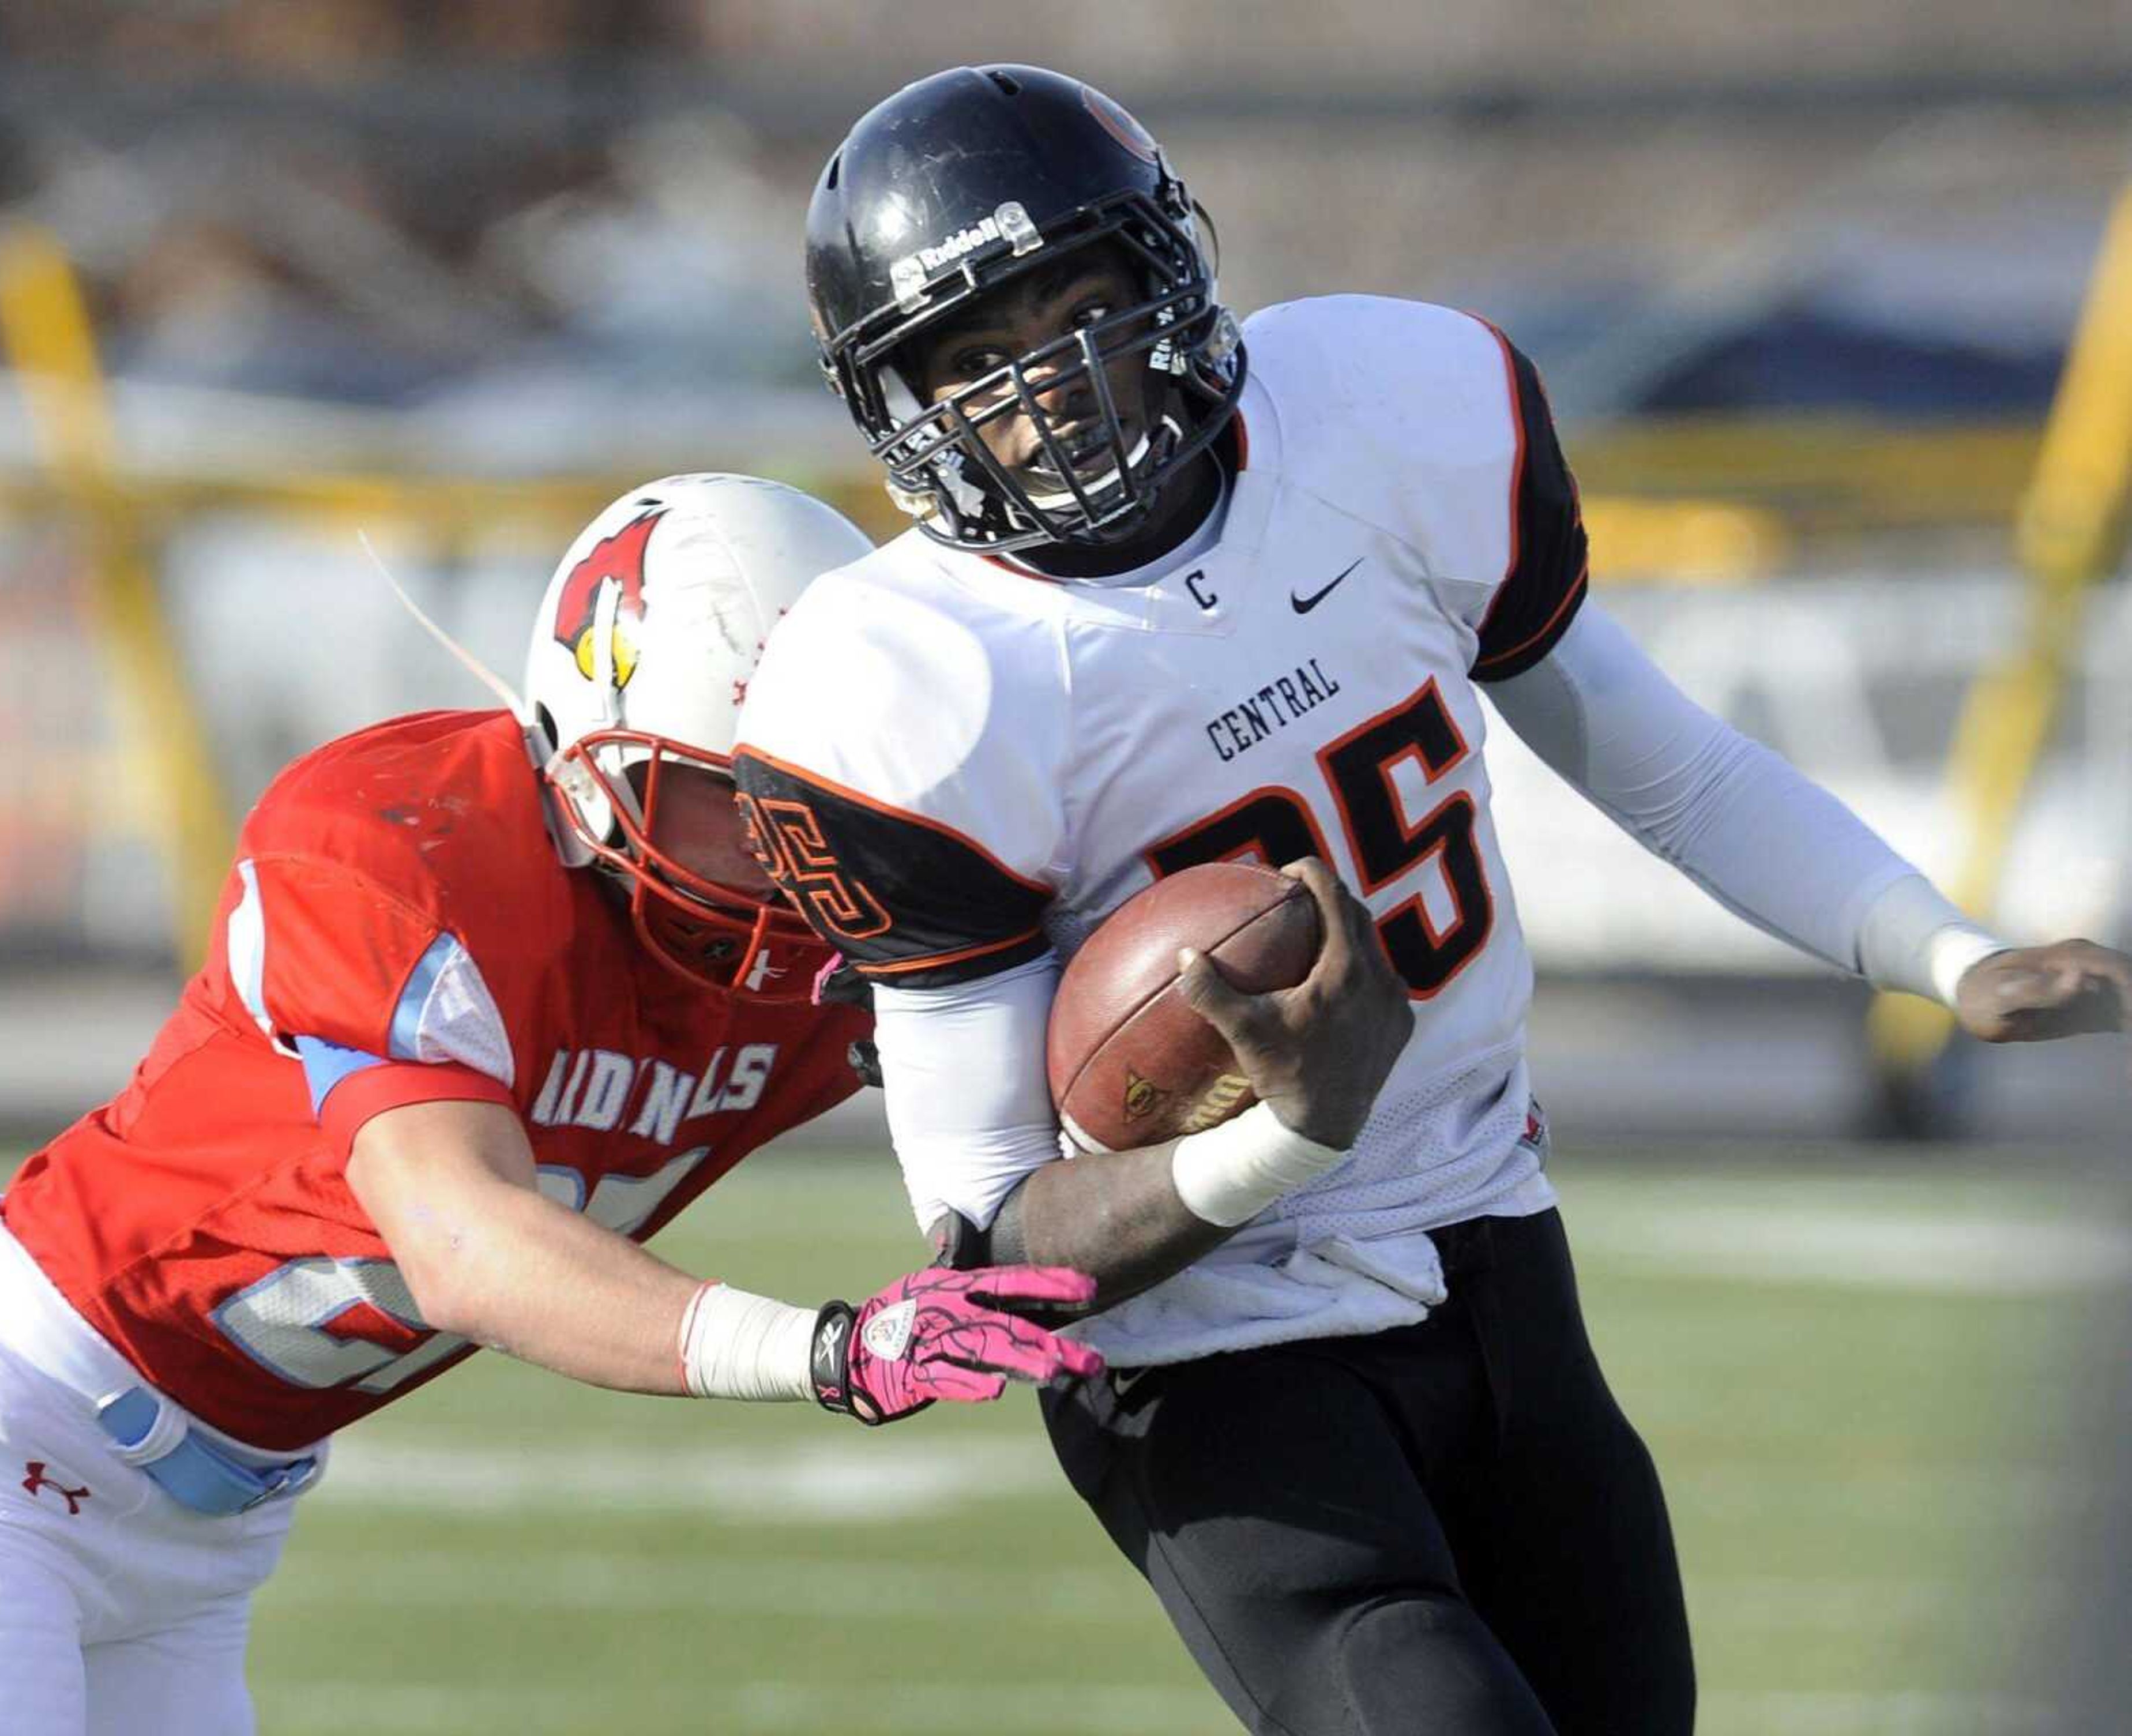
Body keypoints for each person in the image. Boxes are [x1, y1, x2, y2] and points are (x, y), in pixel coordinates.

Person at [732, 66, 2132, 1736]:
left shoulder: (1385, 413)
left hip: (1497, 1248)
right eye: (980, 360)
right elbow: (988, 1244)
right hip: (1219, 1367)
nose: (1056, 393)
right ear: (901, 409)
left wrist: (1944, 952)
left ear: (1168, 274)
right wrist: (1286, 1138)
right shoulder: (909, 687)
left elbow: (1667, 769)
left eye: (1081, 308)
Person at [0, 474, 1107, 1736]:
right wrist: (825, 1349)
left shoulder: (849, 941)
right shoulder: (405, 840)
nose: (782, 852)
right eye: (730, 797)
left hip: (210, 1527)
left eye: (815, 792)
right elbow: (462, 1244)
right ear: (587, 745)